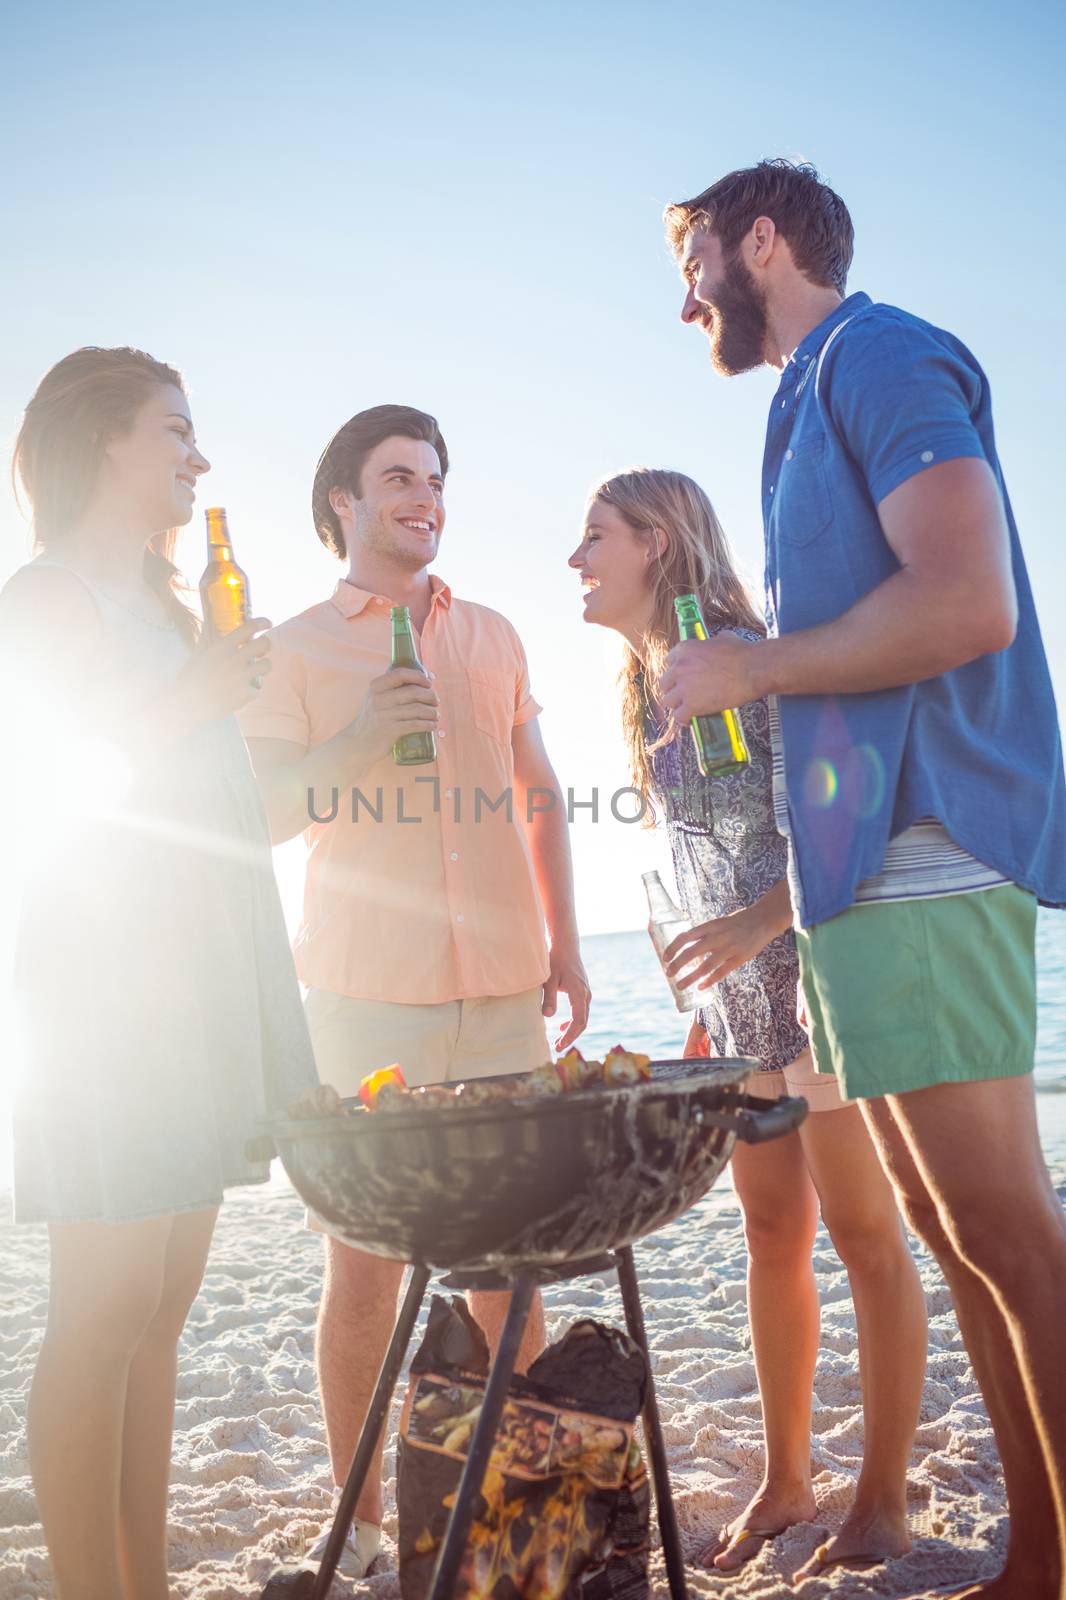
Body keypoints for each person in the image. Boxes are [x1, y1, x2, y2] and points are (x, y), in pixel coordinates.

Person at [660, 159, 1066, 1600]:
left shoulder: (875, 350)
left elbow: (967, 601)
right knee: (963, 1248)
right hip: (855, 874)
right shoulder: (804, 394)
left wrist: (747, 665)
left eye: (693, 253)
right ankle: (1032, 1561)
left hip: (925, 847)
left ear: (758, 238)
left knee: (1010, 1240)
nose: (684, 288)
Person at [240, 403, 590, 1579]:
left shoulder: (490, 635)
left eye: (434, 478)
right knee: (365, 1271)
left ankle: (506, 1510)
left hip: (501, 990)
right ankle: (369, 1530)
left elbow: (539, 792)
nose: (423, 496)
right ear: (341, 500)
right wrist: (348, 744)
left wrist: (569, 946)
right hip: (362, 996)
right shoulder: (291, 648)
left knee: (510, 1270)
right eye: (397, 476)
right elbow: (258, 819)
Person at [0, 346, 319, 1600]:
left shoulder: (171, 612)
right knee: (106, 1299)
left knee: (165, 1302)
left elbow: (224, 798)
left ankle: (142, 1583)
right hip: (105, 983)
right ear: (99, 442)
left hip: (201, 973)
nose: (197, 457)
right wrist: (191, 699)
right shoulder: (46, 599)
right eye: (174, 431)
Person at [569, 466, 927, 1576]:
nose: (573, 561)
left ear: (657, 541)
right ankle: (784, 1479)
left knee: (867, 1238)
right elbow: (699, 858)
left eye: (592, 536)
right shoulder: (643, 686)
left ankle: (877, 1502)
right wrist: (707, 994)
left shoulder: (741, 658)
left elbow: (845, 811)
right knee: (771, 1235)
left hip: (818, 986)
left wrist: (756, 928)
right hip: (735, 1013)